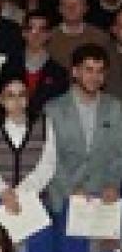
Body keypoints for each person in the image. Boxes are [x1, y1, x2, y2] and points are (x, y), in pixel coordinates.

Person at [45, 43, 122, 215]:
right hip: (64, 197)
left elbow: (118, 155)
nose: (94, 77)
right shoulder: (52, 110)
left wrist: (112, 184)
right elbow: (50, 159)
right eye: (88, 70)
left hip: (104, 197)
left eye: (100, 71)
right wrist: (72, 190)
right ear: (75, 72)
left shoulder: (116, 108)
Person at [0, 65, 56, 213]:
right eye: (10, 95)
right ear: (0, 99)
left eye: (22, 94)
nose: (17, 101)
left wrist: (21, 193)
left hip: (35, 199)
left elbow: (47, 165)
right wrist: (4, 191)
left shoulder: (45, 124)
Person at [5, 10, 68, 116]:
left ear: (49, 35)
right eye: (31, 29)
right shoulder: (9, 67)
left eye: (42, 29)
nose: (36, 34)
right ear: (24, 33)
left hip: (47, 126)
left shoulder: (59, 72)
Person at [48, 0, 109, 69]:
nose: (71, 8)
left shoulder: (100, 38)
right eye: (66, 4)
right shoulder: (48, 38)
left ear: (85, 8)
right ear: (59, 9)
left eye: (76, 4)